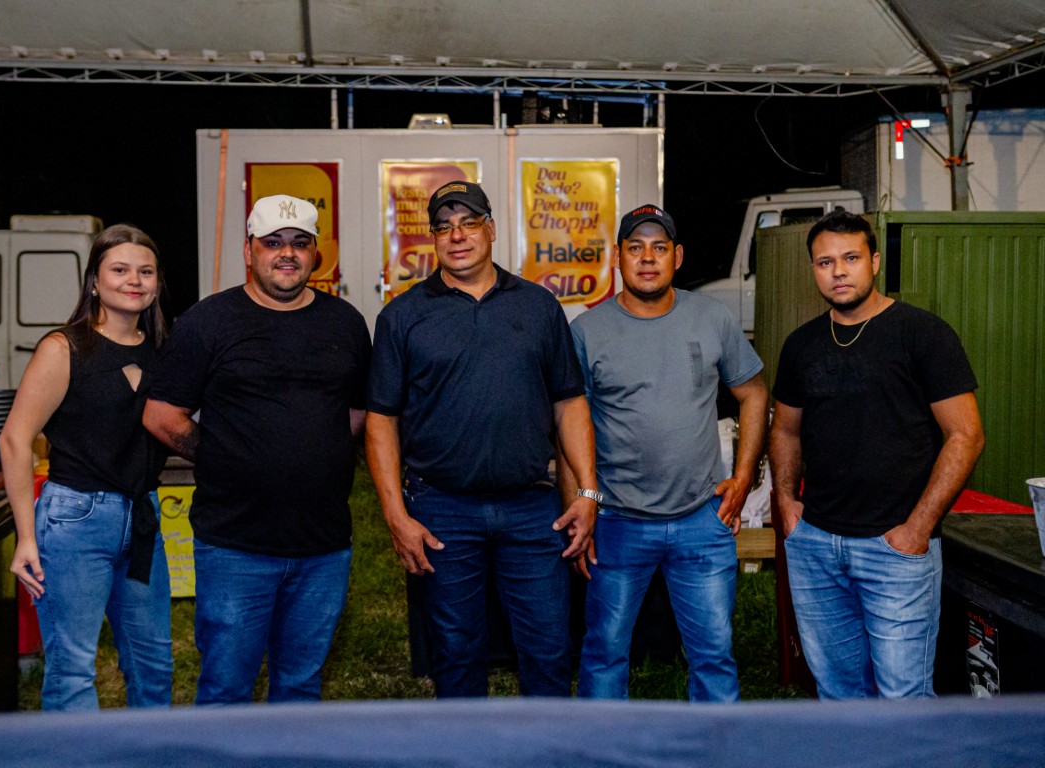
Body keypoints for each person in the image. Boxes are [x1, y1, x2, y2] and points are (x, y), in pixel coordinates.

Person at [365, 180, 600, 699]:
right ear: (432, 238)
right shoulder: (402, 316)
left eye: (469, 223)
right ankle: (466, 742)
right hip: (441, 510)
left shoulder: (538, 307)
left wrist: (587, 493)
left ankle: (548, 743)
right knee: (456, 653)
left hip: (533, 509)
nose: (457, 236)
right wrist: (395, 515)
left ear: (491, 229)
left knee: (549, 649)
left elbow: (569, 403)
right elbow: (382, 420)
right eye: (444, 227)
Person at [143, 194, 370, 704]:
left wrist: (316, 451)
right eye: (273, 242)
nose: (287, 253)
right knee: (226, 689)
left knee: (301, 686)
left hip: (324, 546)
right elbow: (161, 414)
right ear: (249, 251)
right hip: (235, 547)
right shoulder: (208, 322)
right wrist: (224, 457)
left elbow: (358, 410)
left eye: (300, 242)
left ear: (316, 254)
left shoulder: (345, 323)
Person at [769, 209, 984, 699]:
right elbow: (785, 430)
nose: (838, 271)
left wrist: (917, 529)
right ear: (813, 269)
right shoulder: (801, 344)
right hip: (817, 546)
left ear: (875, 261)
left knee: (903, 698)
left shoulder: (923, 334)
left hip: (895, 550)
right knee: (838, 694)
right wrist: (785, 502)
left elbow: (966, 435)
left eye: (850, 258)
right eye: (825, 262)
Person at [561, 205, 767, 702]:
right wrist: (581, 509)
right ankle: (605, 743)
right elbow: (568, 426)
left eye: (659, 248)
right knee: (604, 651)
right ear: (617, 258)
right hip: (616, 520)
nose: (647, 258)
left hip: (702, 518)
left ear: (678, 256)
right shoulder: (587, 331)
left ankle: (714, 741)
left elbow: (755, 393)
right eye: (635, 248)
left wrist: (743, 477)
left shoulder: (712, 317)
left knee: (713, 653)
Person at [0, 224, 173, 711]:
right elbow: (14, 440)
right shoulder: (64, 349)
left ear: (157, 283)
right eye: (119, 270)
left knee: (155, 665)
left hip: (143, 517)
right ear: (95, 280)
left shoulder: (165, 350)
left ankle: (151, 750)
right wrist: (26, 537)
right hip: (75, 520)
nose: (133, 280)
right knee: (74, 670)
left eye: (145, 272)